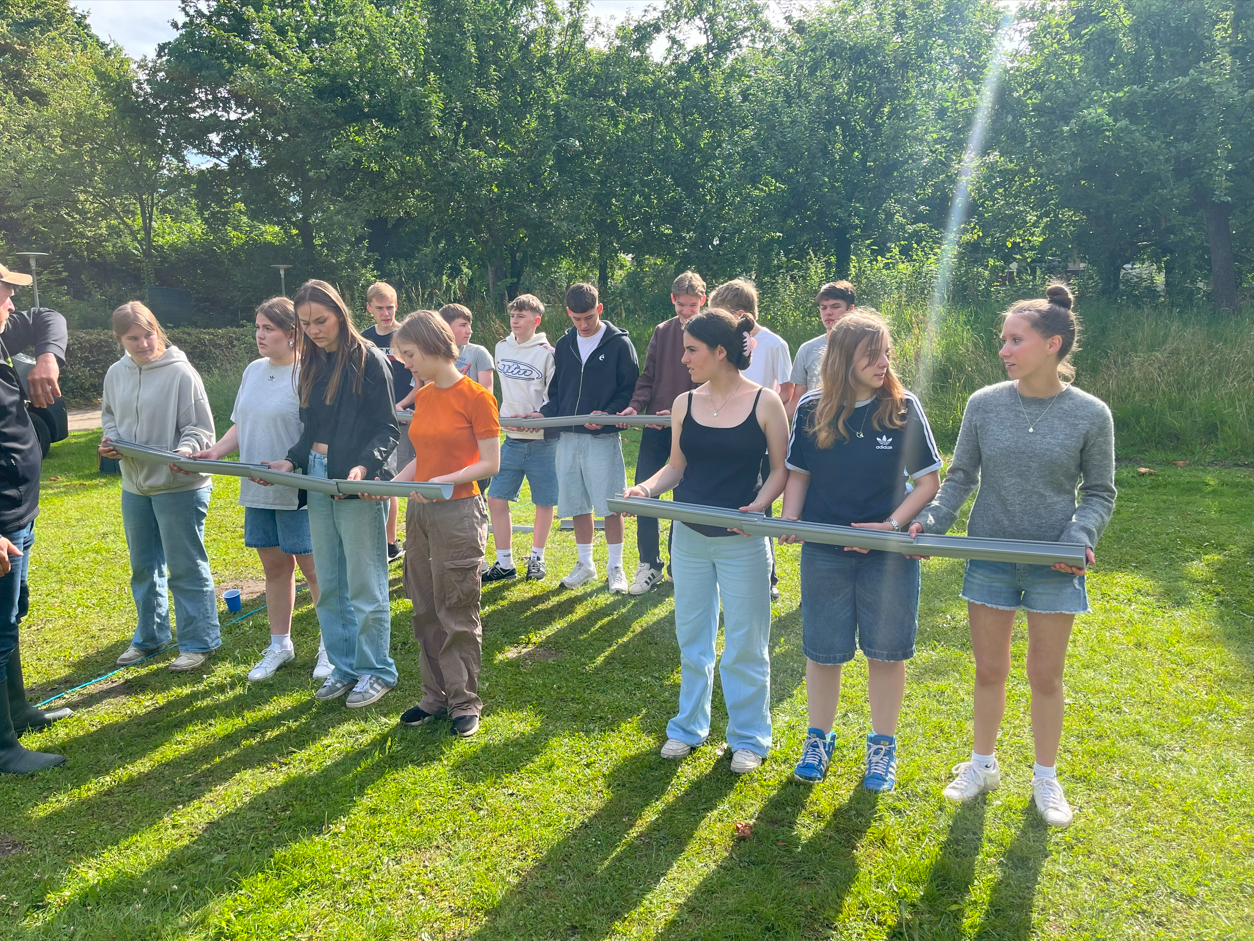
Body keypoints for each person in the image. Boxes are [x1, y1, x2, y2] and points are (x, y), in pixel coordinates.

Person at [911, 283, 1116, 828]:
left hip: (1055, 562)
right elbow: (960, 478)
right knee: (989, 670)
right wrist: (932, 521)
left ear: (1052, 344)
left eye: (1014, 340)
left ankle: (1045, 778)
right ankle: (982, 765)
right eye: (1002, 340)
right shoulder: (984, 403)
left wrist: (1080, 535)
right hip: (990, 555)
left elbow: (1100, 492)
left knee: (1046, 676)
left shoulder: (1091, 414)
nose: (1003, 350)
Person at [781, 312, 942, 791]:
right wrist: (791, 519)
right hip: (825, 550)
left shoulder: (903, 407)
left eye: (887, 353)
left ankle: (882, 746)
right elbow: (799, 473)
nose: (883, 362)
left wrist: (890, 526)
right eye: (872, 353)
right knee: (823, 652)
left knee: (887, 653)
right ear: (842, 358)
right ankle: (819, 738)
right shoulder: (812, 408)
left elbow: (928, 482)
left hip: (887, 554)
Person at [624, 309, 789, 773]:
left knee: (745, 643)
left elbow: (781, 469)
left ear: (721, 352)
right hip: (690, 539)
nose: (683, 358)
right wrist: (646, 489)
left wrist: (758, 508)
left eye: (692, 349)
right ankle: (688, 728)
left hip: (743, 541)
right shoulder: (683, 403)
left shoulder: (765, 402)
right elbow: (676, 467)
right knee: (693, 639)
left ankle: (749, 738)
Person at [266, 280, 400, 709]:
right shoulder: (311, 364)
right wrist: (291, 460)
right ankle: (343, 667)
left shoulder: (371, 360)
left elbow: (387, 428)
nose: (314, 330)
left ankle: (376, 670)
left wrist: (365, 467)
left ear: (341, 314)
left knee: (365, 580)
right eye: (305, 324)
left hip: (356, 482)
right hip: (319, 479)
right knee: (330, 579)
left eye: (320, 321)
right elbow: (312, 430)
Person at [187, 297, 326, 682]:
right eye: (257, 327)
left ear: (292, 334)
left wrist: (290, 466)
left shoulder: (309, 373)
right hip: (257, 489)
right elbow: (240, 425)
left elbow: (317, 435)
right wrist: (215, 450)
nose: (260, 335)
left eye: (268, 328)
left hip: (296, 489)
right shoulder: (252, 370)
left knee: (314, 568)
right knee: (275, 567)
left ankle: (331, 646)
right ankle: (280, 644)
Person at [387, 310, 500, 738]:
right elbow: (422, 455)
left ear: (434, 347)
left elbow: (490, 462)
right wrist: (393, 484)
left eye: (410, 354)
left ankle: (464, 701)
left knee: (456, 606)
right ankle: (433, 695)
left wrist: (441, 483)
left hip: (459, 511)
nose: (406, 363)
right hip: (421, 511)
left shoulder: (476, 397)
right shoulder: (427, 395)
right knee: (423, 604)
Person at [100, 303, 221, 673]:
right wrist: (112, 441)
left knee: (185, 566)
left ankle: (199, 642)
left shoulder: (181, 373)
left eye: (148, 334)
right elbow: (109, 417)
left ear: (158, 330)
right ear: (119, 339)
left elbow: (200, 428)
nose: (142, 343)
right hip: (135, 485)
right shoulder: (115, 373)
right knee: (144, 565)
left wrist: (185, 450)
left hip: (179, 485)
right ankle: (150, 636)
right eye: (132, 338)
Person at [0, 261, 68, 774]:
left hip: (18, 512)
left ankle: (17, 711)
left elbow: (49, 316)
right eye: (5, 296)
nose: (11, 306)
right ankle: (3, 746)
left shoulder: (4, 335)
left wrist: (48, 358)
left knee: (11, 618)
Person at [529, 283, 639, 593]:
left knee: (611, 503)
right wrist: (546, 413)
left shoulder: (619, 344)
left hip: (602, 437)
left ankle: (616, 567)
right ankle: (585, 564)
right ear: (569, 314)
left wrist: (608, 413)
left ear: (599, 309)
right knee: (576, 502)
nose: (584, 324)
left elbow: (629, 389)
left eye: (589, 317)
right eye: (577, 318)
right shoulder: (564, 345)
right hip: (568, 436)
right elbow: (558, 391)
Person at [617, 271, 704, 595]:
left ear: (702, 302)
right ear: (673, 300)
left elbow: (709, 382)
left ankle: (677, 564)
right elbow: (649, 376)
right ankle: (649, 564)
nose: (686, 311)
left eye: (692, 305)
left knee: (685, 496)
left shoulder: (708, 332)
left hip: (693, 427)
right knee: (644, 493)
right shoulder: (662, 331)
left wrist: (682, 412)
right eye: (681, 304)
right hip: (655, 425)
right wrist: (635, 407)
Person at [708, 278, 793, 601]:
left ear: (741, 314)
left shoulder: (774, 344)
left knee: (762, 505)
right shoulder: (723, 345)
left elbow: (787, 392)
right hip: (726, 433)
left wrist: (769, 423)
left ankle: (767, 575)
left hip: (761, 433)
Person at [483, 294, 557, 582]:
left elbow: (555, 395)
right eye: (513, 315)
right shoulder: (501, 347)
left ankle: (537, 558)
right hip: (511, 438)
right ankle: (505, 563)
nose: (515, 320)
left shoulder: (547, 352)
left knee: (544, 502)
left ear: (536, 321)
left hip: (543, 442)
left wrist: (540, 416)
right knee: (497, 498)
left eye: (522, 316)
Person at [361, 281, 414, 563]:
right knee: (388, 477)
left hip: (409, 416)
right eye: (379, 308)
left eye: (390, 307)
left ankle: (401, 539)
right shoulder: (364, 340)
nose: (385, 313)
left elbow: (421, 376)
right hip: (379, 418)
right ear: (369, 308)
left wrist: (405, 405)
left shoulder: (406, 335)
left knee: (412, 477)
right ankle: (390, 542)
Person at [440, 303, 495, 497]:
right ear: (446, 328)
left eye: (469, 325)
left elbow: (487, 393)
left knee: (476, 488)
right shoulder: (435, 355)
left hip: (473, 429)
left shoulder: (478, 352)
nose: (469, 330)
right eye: (463, 325)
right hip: (444, 430)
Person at [788, 280, 857, 418]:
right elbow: (798, 399)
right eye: (823, 308)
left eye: (835, 306)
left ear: (851, 309)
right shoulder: (807, 349)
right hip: (817, 425)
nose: (828, 313)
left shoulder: (863, 347)